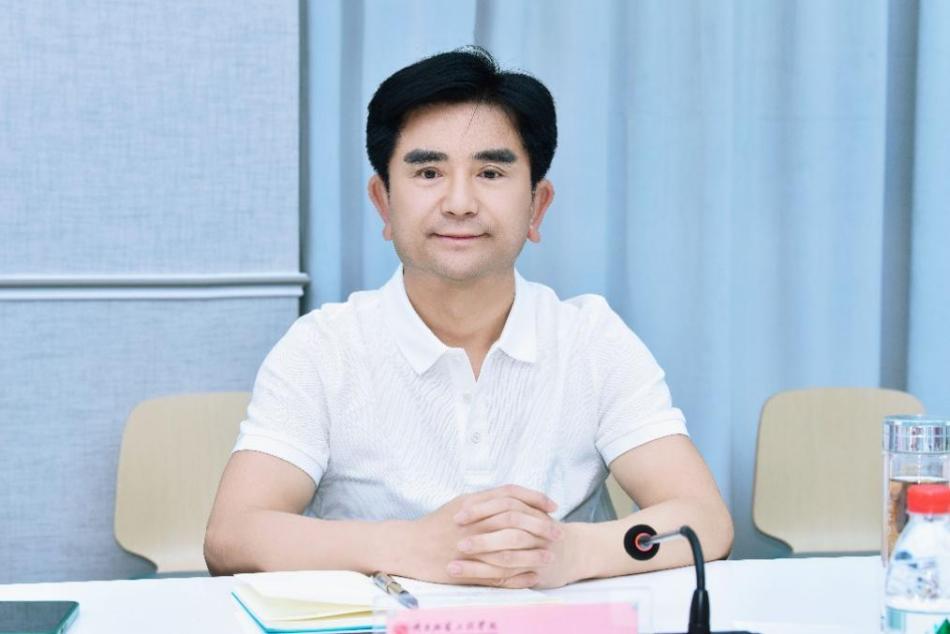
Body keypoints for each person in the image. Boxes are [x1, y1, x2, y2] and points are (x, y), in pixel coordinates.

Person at [204, 46, 733, 588]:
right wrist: (410, 546)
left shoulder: (591, 339)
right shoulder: (323, 347)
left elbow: (705, 520)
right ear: (383, 203)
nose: (459, 202)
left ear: (537, 205)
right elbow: (232, 536)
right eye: (429, 171)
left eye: (490, 172)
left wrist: (568, 552)